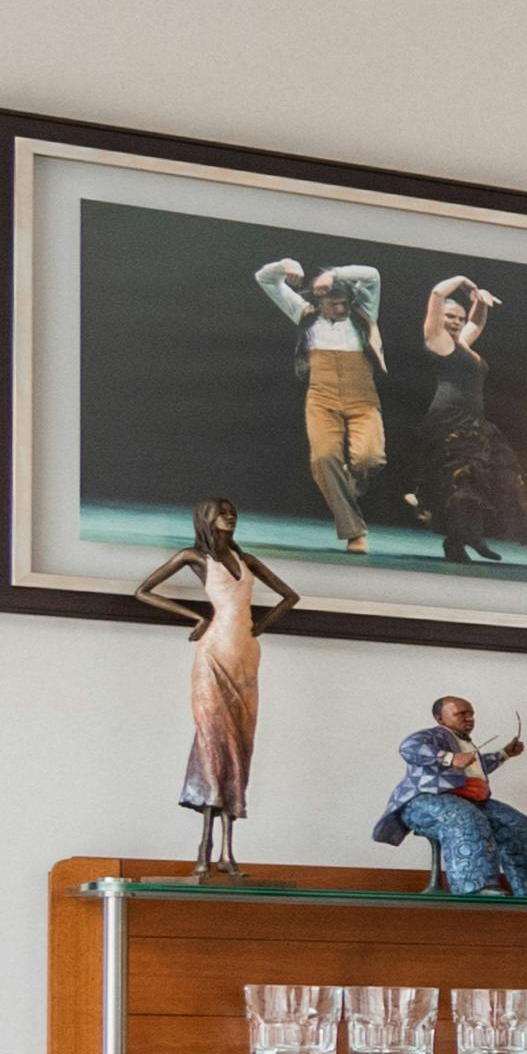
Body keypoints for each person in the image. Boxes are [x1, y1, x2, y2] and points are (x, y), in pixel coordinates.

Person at [130, 502, 308, 874]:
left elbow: (290, 596)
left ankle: (227, 852)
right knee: (213, 739)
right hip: (213, 654)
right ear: (206, 518)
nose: (230, 516)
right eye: (221, 511)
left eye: (233, 511)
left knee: (240, 745)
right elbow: (144, 590)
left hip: (245, 654)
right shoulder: (194, 557)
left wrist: (260, 626)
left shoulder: (248, 560)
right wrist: (197, 617)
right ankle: (204, 849)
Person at [402, 274, 527, 567]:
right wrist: (465, 281)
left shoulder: (463, 344)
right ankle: (456, 542)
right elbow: (437, 292)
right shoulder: (438, 342)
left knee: (490, 480)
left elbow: (476, 323)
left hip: (475, 422)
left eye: (459, 317)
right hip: (449, 422)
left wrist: (480, 303)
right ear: (439, 318)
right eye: (450, 317)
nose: (455, 322)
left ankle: (472, 536)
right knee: (463, 485)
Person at [254, 257, 394, 552]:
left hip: (362, 397)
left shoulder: (364, 313)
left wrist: (334, 273)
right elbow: (265, 279)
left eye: (344, 302)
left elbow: (373, 273)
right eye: (334, 304)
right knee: (323, 459)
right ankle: (355, 531)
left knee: (370, 458)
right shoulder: (305, 315)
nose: (341, 309)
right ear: (319, 302)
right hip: (321, 396)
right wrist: (286, 264)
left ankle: (351, 480)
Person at [373, 692, 527, 899]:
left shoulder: (465, 744)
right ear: (440, 719)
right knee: (465, 818)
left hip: (471, 801)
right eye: (461, 714)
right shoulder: (434, 736)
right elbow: (409, 748)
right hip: (424, 800)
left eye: (471, 714)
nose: (469, 719)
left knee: (516, 823)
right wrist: (449, 757)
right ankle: (474, 888)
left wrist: (505, 754)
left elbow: (477, 766)